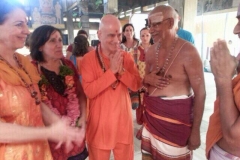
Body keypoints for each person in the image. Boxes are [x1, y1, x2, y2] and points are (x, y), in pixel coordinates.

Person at [0, 1, 83, 160]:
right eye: (19, 24)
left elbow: (35, 101)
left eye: (26, 23)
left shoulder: (22, 63)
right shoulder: (32, 65)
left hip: (40, 151)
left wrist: (59, 125)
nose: (26, 30)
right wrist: (48, 132)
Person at [141, 5, 206, 159]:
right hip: (150, 121)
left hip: (176, 127)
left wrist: (195, 131)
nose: (151, 30)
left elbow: (201, 94)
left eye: (156, 24)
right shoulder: (150, 52)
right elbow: (144, 83)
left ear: (170, 23)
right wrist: (146, 79)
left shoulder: (189, 52)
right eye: (149, 25)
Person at [80, 14, 142, 160]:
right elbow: (89, 91)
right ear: (99, 34)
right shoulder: (88, 60)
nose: (117, 40)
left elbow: (136, 85)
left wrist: (121, 72)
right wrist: (112, 72)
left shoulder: (125, 57)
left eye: (119, 35)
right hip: (99, 126)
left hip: (123, 124)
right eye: (111, 35)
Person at [30, 25, 87, 160]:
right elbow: (34, 104)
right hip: (51, 140)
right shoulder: (32, 70)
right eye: (52, 41)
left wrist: (84, 117)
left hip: (75, 136)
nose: (59, 44)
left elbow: (80, 93)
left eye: (60, 40)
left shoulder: (68, 65)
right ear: (39, 46)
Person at [206, 4, 240, 159]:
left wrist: (223, 78)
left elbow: (234, 139)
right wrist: (220, 74)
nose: (235, 30)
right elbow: (224, 102)